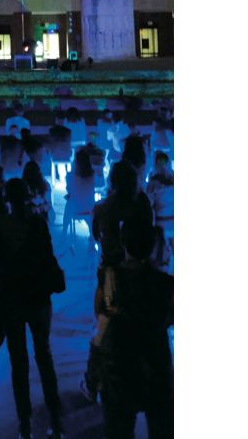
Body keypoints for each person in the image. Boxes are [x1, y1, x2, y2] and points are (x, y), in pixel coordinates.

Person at [0, 178, 64, 439]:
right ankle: (55, 418)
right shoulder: (38, 223)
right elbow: (48, 257)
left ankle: (25, 422)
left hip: (12, 300)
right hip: (38, 297)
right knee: (44, 355)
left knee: (18, 362)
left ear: (6, 198)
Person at [82, 161, 153, 402]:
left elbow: (95, 235)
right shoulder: (142, 204)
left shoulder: (102, 208)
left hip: (110, 274)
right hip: (140, 273)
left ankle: (93, 381)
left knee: (103, 328)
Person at [98, 219, 173, 438]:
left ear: (123, 242)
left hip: (119, 367)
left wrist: (94, 370)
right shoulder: (166, 284)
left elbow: (102, 326)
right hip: (156, 366)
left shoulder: (110, 278)